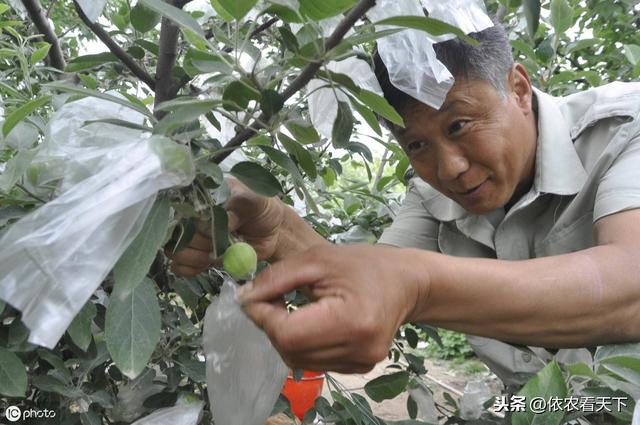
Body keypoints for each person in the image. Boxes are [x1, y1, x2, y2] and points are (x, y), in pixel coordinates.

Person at [170, 24, 640, 390]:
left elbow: (630, 286)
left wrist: (419, 286)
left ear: (517, 88)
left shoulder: (624, 130)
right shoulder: (430, 198)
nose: (449, 168)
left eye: (459, 125)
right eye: (416, 143)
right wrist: (282, 231)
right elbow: (367, 284)